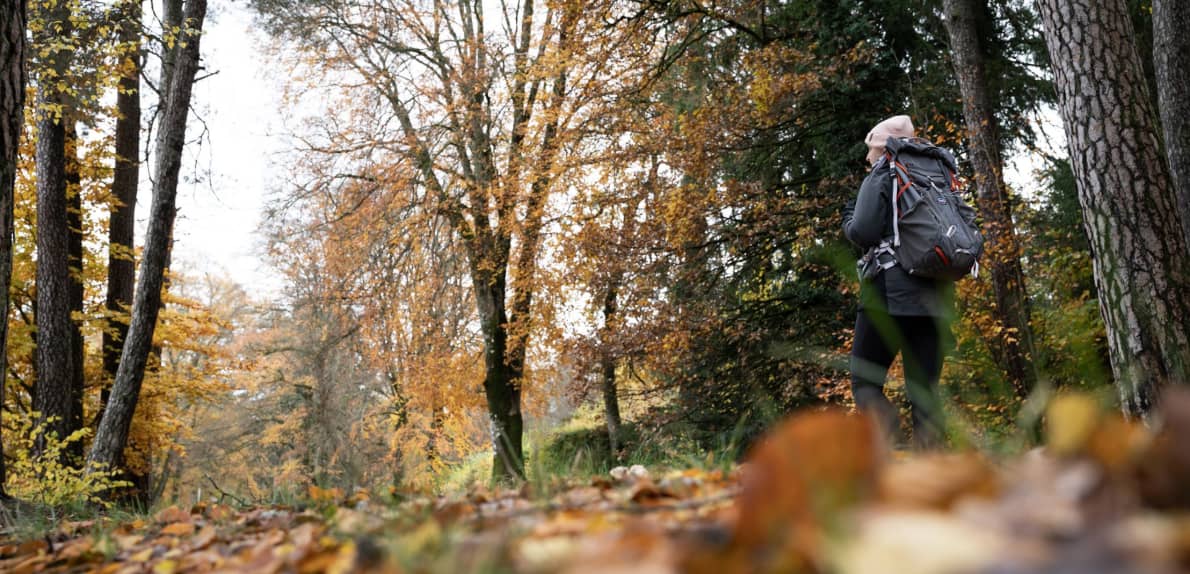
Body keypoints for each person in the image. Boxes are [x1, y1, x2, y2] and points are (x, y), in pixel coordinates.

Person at [841, 115, 956, 449]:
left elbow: (862, 231)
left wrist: (848, 218)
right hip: (936, 292)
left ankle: (891, 452)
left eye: (870, 148)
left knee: (864, 380)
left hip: (888, 290)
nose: (867, 158)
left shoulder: (884, 173)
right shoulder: (939, 172)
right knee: (924, 389)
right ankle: (932, 471)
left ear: (882, 146)